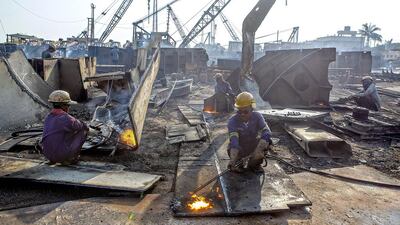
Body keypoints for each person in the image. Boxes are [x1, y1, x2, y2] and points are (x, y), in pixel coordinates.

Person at [227, 92, 271, 173]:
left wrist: (259, 149)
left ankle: (255, 165)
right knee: (234, 158)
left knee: (257, 158)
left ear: (252, 108)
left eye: (246, 111)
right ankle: (237, 162)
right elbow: (234, 141)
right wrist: (233, 159)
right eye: (240, 112)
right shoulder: (232, 121)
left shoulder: (257, 116)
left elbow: (267, 132)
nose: (242, 114)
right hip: (240, 148)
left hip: (253, 146)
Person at [41, 90, 88, 165]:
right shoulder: (67, 118)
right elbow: (81, 126)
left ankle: (52, 160)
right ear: (64, 106)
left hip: (47, 154)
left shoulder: (48, 117)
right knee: (84, 130)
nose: (68, 107)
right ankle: (69, 159)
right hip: (61, 156)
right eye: (68, 105)